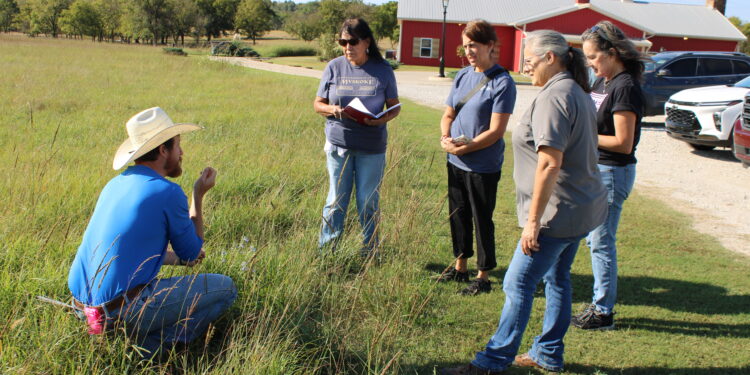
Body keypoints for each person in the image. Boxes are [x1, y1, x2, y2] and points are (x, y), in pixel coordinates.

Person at [440, 30, 607, 374]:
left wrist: (533, 221)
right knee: (558, 278)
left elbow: (549, 162)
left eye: (529, 61)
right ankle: (548, 354)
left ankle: (491, 362)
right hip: (581, 209)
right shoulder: (575, 90)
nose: (525, 67)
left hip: (556, 214)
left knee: (517, 282)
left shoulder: (555, 96)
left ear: (550, 58)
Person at [68, 107, 237, 358]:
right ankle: (150, 348)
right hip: (121, 310)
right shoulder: (166, 192)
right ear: (163, 150)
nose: (182, 153)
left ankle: (122, 341)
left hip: (81, 308)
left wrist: (175, 259)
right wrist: (198, 195)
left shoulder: (114, 184)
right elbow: (192, 254)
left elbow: (132, 249)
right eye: (178, 145)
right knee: (226, 289)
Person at [571, 21, 645, 330]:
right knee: (593, 240)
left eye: (593, 57)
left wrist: (583, 134)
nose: (590, 64)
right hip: (596, 170)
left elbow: (623, 143)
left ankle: (603, 312)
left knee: (601, 242)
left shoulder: (624, 85)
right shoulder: (604, 81)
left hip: (612, 174)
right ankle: (600, 306)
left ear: (612, 53)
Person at [435, 19, 516, 296]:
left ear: (490, 46)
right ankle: (460, 267)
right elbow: (448, 114)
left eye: (474, 45)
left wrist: (464, 148)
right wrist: (446, 138)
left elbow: (495, 132)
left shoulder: (503, 82)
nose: (469, 51)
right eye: (466, 45)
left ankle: (483, 276)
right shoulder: (462, 76)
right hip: (456, 160)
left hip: (482, 165)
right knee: (458, 215)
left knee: (481, 218)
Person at [313, 18, 400, 255]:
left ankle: (370, 251)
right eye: (343, 42)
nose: (347, 47)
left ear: (367, 42)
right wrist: (333, 110)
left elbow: (394, 106)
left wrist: (382, 119)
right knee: (335, 202)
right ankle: (328, 252)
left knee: (367, 202)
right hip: (338, 145)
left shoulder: (383, 70)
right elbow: (318, 104)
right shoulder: (334, 67)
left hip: (372, 148)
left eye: (352, 41)